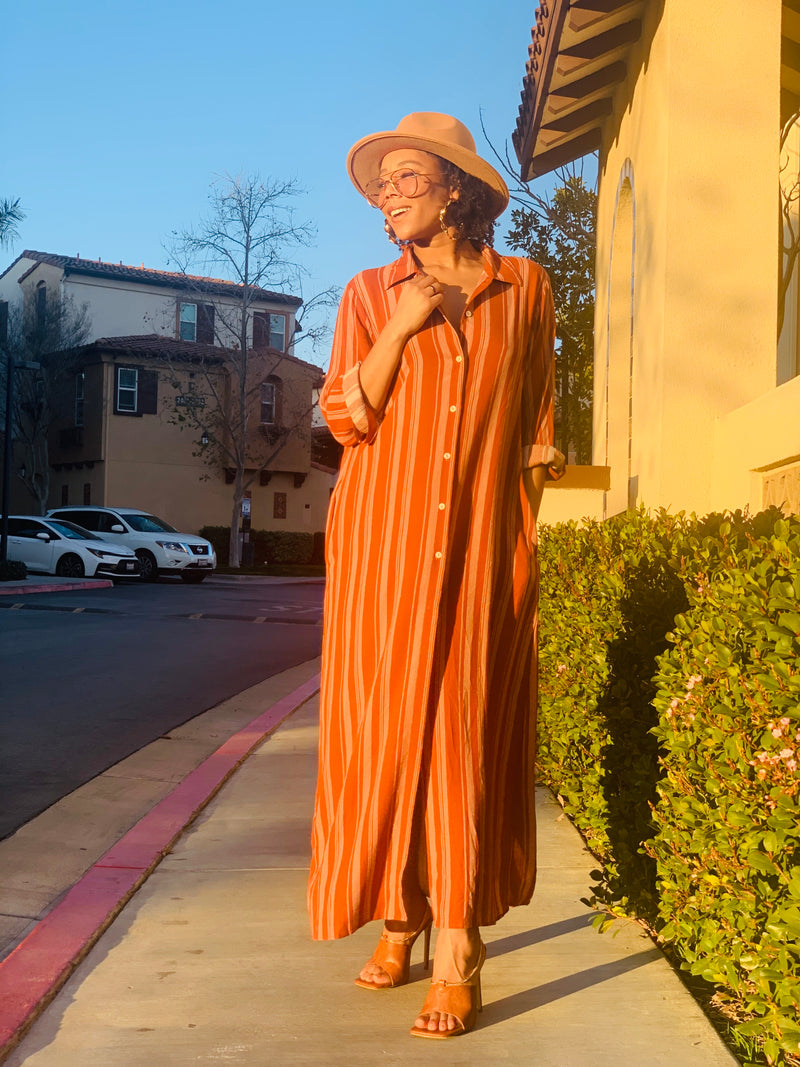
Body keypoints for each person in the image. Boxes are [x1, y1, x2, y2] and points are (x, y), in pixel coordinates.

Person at [307, 112, 564, 1040]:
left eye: (407, 176)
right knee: (384, 732)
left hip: (483, 551)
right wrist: (404, 323)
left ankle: (455, 944)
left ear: (456, 188)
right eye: (383, 183)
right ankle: (399, 911)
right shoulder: (370, 294)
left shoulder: (525, 288)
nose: (389, 192)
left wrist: (525, 519)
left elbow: (536, 413)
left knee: (458, 734)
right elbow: (344, 414)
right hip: (381, 548)